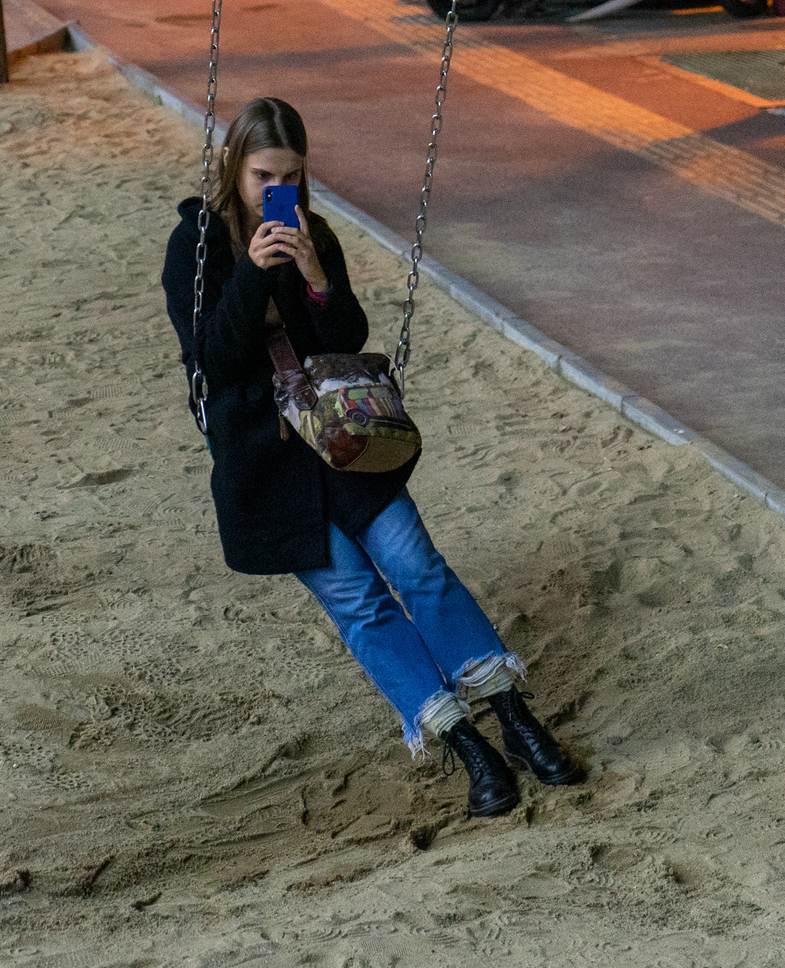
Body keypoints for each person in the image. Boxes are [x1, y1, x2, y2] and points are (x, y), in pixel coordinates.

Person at [161, 97, 582, 818]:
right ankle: (464, 744)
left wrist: (317, 273)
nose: (276, 190)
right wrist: (255, 271)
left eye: (290, 175)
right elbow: (215, 358)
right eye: (264, 173)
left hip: (340, 442)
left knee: (415, 562)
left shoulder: (311, 230)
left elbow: (346, 333)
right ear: (233, 165)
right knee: (357, 598)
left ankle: (513, 717)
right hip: (264, 459)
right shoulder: (194, 243)